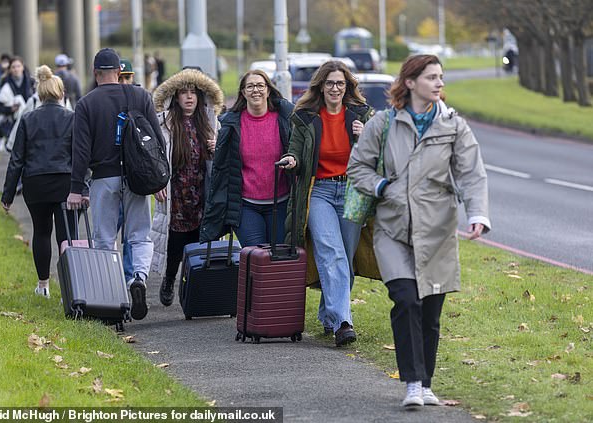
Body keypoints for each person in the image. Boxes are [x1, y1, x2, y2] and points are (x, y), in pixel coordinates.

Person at [347, 54, 490, 407]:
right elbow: (357, 167)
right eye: (431, 77)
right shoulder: (383, 124)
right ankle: (412, 382)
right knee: (406, 300)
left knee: (430, 311)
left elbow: (472, 173)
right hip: (392, 229)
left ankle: (426, 382)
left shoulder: (454, 125)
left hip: (438, 232)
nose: (439, 83)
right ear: (410, 82)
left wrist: (478, 215)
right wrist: (381, 187)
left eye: (441, 77)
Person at [66, 48, 165, 321]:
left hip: (103, 179)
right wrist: (160, 180)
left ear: (95, 72)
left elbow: (81, 151)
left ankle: (111, 298)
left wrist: (77, 188)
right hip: (138, 178)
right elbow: (158, 140)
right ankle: (139, 279)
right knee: (140, 236)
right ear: (119, 71)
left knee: (104, 238)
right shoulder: (140, 95)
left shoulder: (86, 104)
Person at [280, 60, 372, 347]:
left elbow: (379, 154)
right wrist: (292, 161)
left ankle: (329, 315)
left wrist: (364, 136)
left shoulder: (361, 116)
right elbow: (294, 150)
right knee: (330, 252)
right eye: (330, 83)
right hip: (318, 191)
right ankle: (343, 322)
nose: (335, 88)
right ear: (321, 86)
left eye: (340, 84)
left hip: (352, 192)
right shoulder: (305, 117)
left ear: (347, 88)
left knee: (345, 254)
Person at [1, 65, 77, 298]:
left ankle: (43, 285)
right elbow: (80, 155)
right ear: (61, 93)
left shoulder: (27, 119)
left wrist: (8, 194)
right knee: (67, 236)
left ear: (40, 95)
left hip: (36, 183)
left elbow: (17, 159)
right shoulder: (72, 118)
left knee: (41, 233)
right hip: (65, 182)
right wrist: (83, 184)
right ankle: (70, 286)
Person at [150, 68, 223, 306]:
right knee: (175, 242)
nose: (189, 97)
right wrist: (157, 183)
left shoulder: (210, 122)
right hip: (176, 192)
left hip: (202, 190)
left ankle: (191, 288)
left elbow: (224, 158)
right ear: (175, 96)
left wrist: (216, 147)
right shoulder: (166, 124)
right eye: (184, 92)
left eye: (193, 92)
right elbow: (157, 156)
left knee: (198, 241)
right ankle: (169, 279)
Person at [200, 70, 294, 247]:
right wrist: (218, 148)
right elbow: (224, 164)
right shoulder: (232, 123)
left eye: (260, 85)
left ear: (268, 90)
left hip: (280, 203)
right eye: (250, 86)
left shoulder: (284, 119)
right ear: (243, 92)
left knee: (279, 258)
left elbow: (297, 149)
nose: (255, 90)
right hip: (246, 205)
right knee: (255, 256)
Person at [116, 58, 136, 282]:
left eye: (127, 78)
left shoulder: (140, 101)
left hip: (134, 177)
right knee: (107, 232)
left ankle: (129, 277)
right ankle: (110, 275)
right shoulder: (103, 103)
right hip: (110, 174)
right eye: (120, 78)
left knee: (131, 233)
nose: (124, 83)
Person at [0, 56, 34, 152]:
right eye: (13, 67)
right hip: (11, 121)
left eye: (18, 66)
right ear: (10, 69)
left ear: (23, 67)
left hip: (29, 121)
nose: (16, 69)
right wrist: (11, 109)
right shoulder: (4, 83)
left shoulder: (31, 82)